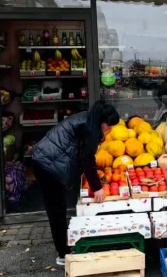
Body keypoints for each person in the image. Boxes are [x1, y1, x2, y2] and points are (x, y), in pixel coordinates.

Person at [32, 100, 119, 265]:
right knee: (56, 210)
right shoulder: (88, 128)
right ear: (101, 122)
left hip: (47, 159)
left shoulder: (87, 120)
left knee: (59, 206)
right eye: (108, 126)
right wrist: (97, 188)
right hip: (46, 164)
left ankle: (65, 247)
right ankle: (63, 254)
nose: (109, 130)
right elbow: (87, 160)